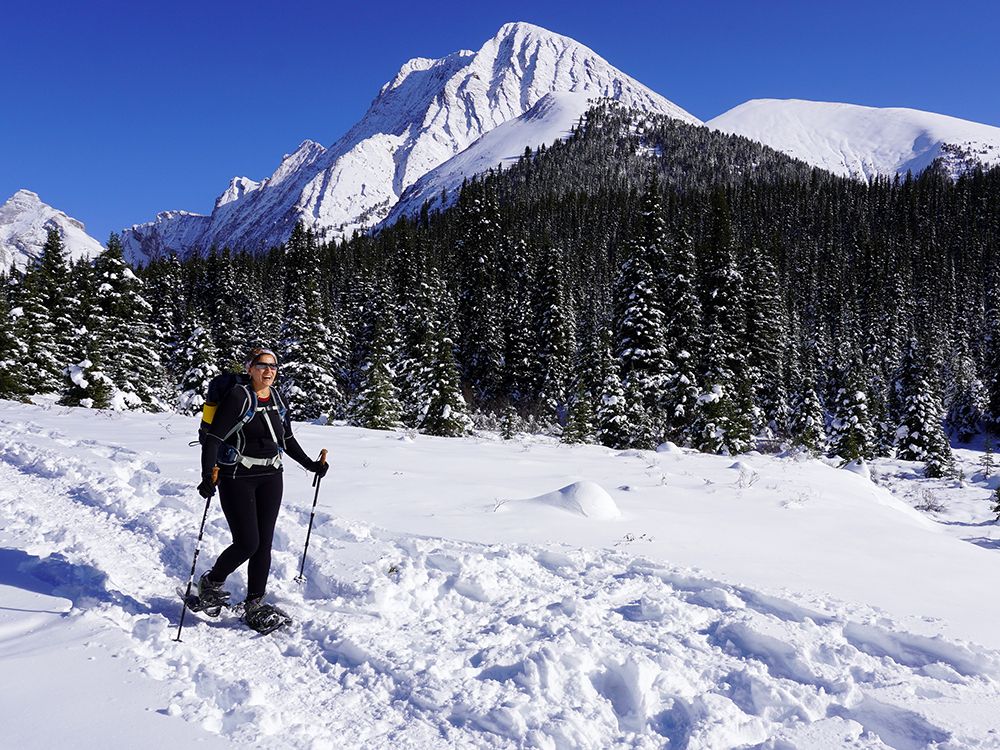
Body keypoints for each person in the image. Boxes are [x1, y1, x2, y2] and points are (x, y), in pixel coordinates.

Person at [196, 346, 327, 623]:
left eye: (273, 366)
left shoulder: (277, 398)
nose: (269, 371)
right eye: (262, 365)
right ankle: (212, 582)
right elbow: (214, 439)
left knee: (264, 544)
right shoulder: (238, 397)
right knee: (247, 543)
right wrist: (208, 475)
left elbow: (286, 439)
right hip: (236, 477)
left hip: (271, 476)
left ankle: (254, 604)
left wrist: (310, 465)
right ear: (249, 369)